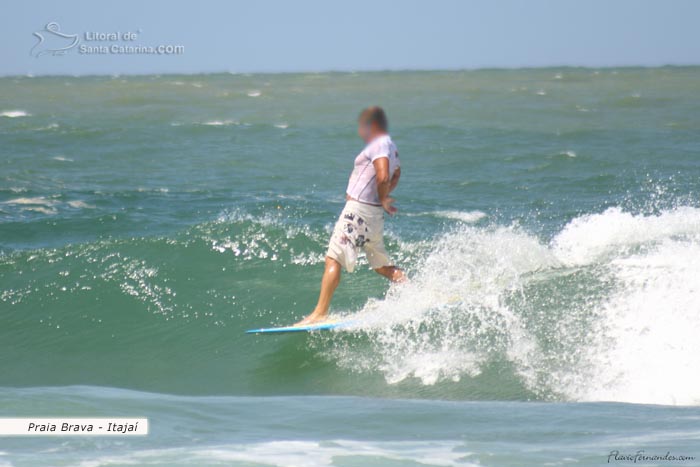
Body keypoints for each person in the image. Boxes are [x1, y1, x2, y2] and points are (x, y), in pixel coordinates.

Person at [297, 106, 405, 325]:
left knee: (333, 258)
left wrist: (383, 197)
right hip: (373, 215)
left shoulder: (379, 144)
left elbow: (384, 176)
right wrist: (382, 198)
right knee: (381, 266)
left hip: (358, 211)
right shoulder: (392, 146)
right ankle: (413, 292)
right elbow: (396, 174)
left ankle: (320, 312)